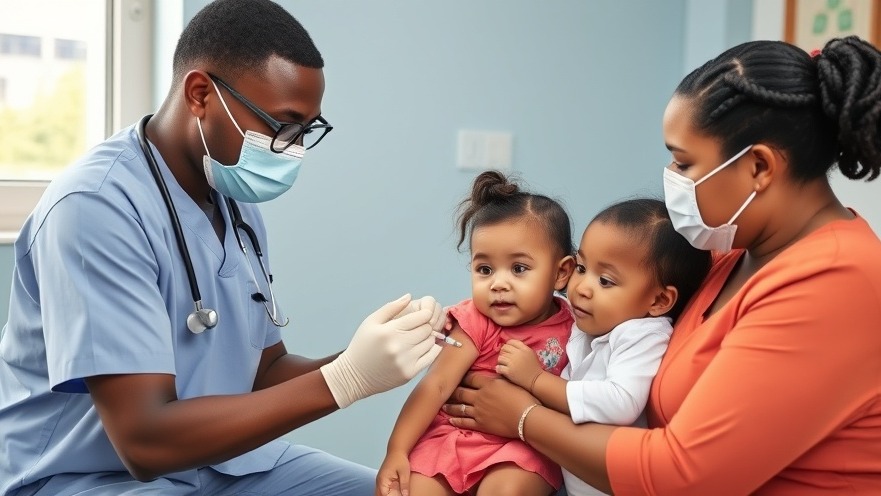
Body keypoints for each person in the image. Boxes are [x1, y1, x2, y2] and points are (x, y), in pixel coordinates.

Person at [0, 1, 444, 494]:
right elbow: (144, 442)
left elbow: (263, 372)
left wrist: (370, 357)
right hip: (93, 477)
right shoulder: (95, 207)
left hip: (221, 464)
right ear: (200, 94)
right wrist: (345, 381)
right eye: (282, 125)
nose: (292, 150)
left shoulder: (234, 203)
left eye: (305, 132)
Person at [442, 35, 881, 495]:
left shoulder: (836, 282)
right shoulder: (728, 255)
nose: (672, 181)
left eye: (684, 163)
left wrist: (523, 418)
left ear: (758, 167)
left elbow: (682, 476)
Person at [376, 170, 576, 496]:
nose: (498, 283)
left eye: (519, 268)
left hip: (521, 446)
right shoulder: (474, 320)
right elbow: (436, 385)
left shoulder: (575, 328)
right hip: (453, 438)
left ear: (561, 272)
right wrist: (396, 450)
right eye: (485, 269)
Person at [496, 198, 711, 496]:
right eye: (582, 268)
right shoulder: (588, 319)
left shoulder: (642, 334)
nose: (582, 287)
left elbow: (621, 402)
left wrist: (535, 380)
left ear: (659, 301)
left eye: (606, 281)